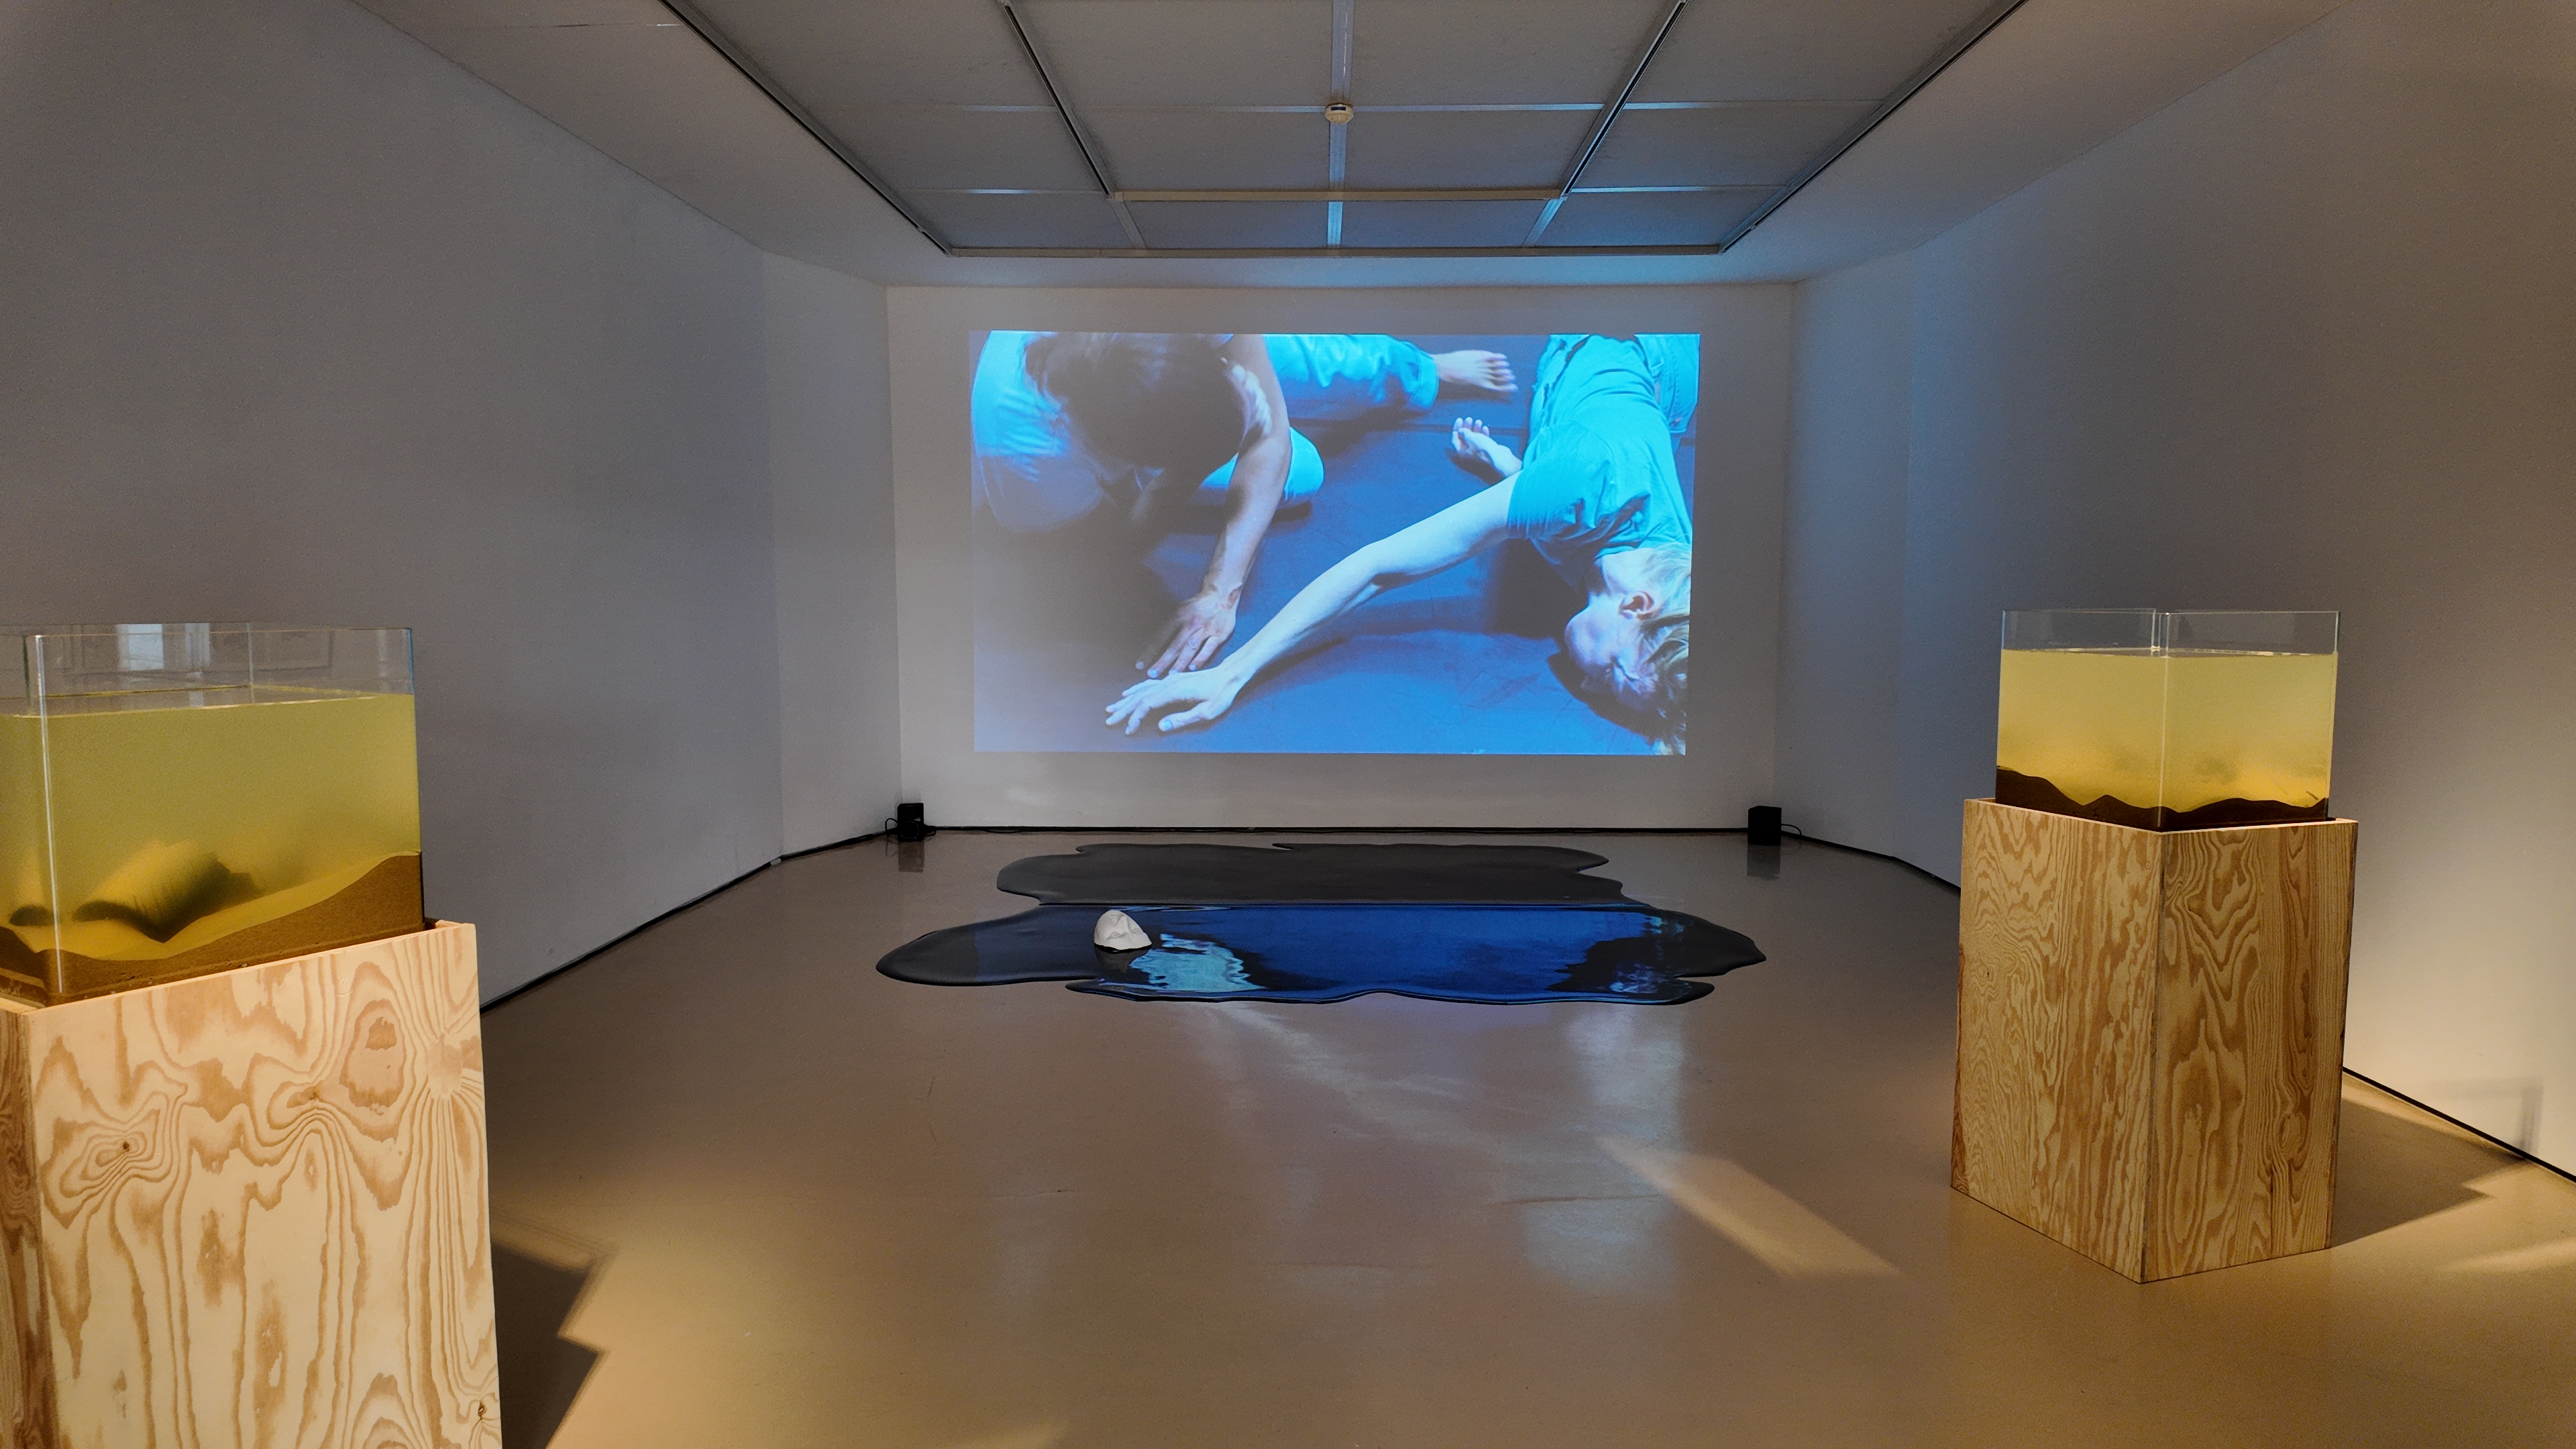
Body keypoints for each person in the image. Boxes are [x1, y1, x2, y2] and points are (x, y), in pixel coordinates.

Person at [1104, 334, 1694, 751]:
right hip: (1628, 342)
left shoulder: (1659, 573)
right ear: (1640, 605)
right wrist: (1231, 674)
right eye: (1610, 675)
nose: (1588, 685)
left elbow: (1577, 508)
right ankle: (1420, 368)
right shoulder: (1587, 482)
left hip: (1625, 409)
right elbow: (1378, 568)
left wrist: (1516, 478)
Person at [973, 333, 1517, 676]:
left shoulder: (1184, 305)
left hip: (1176, 392)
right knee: (1303, 473)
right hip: (1106, 462)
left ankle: (1422, 368)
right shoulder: (1027, 461)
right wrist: (1186, 472)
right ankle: (1218, 419)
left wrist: (1221, 589)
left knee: (1307, 358)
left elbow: (1270, 434)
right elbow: (1113, 550)